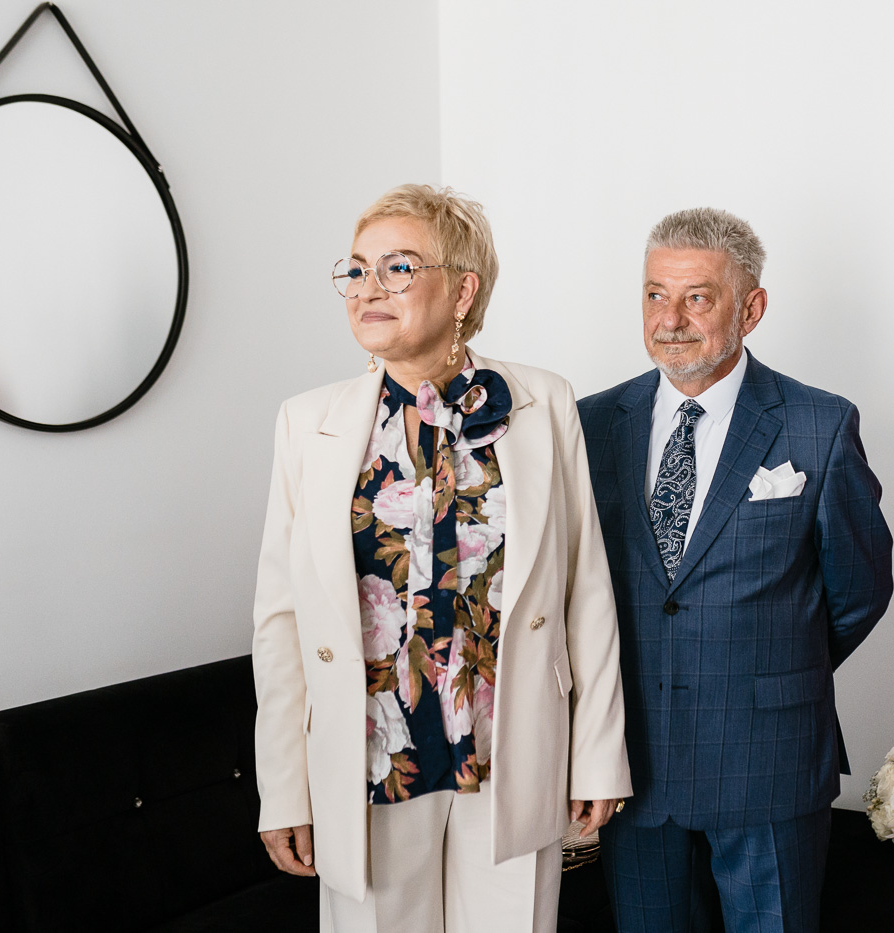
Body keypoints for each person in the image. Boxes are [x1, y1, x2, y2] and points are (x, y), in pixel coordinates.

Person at [251, 184, 631, 933]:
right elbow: (281, 620)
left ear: (462, 290)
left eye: (397, 267)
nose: (367, 289)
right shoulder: (305, 423)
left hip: (513, 746)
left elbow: (586, 588)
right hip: (367, 754)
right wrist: (284, 787)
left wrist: (597, 756)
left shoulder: (543, 403)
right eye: (355, 269)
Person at [577, 207, 894, 933]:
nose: (670, 320)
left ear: (750, 309)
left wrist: (767, 665)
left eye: (697, 297)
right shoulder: (591, 424)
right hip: (631, 761)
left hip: (768, 758)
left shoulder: (818, 424)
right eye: (655, 295)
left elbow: (860, 589)